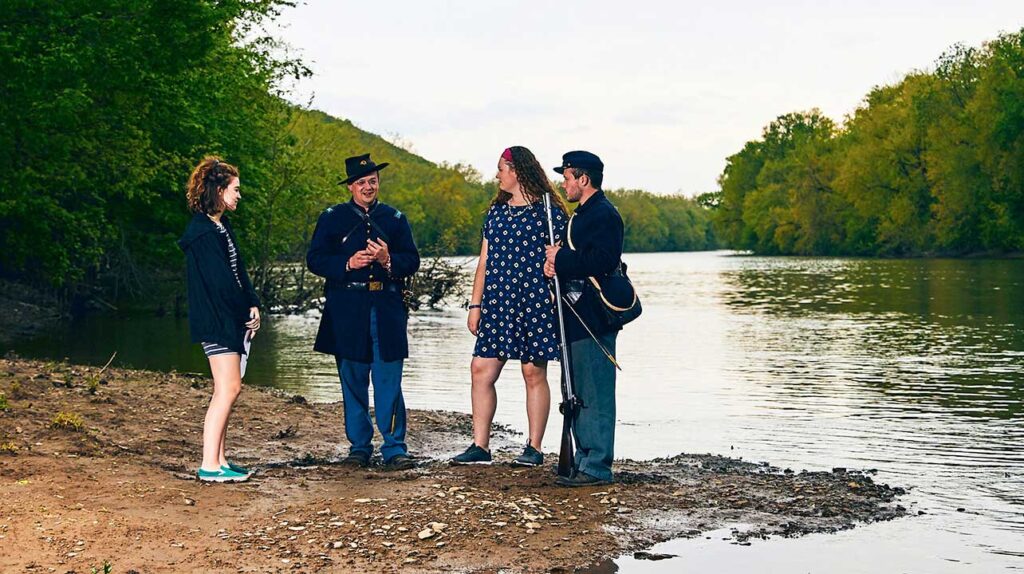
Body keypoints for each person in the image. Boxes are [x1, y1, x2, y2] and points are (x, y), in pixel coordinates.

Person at [452, 146, 569, 466]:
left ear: (517, 171)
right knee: (480, 369)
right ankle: (480, 446)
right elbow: (484, 262)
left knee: (532, 372)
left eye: (501, 169)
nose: (497, 175)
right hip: (497, 302)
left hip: (534, 301)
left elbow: (560, 258)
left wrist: (552, 283)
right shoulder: (496, 213)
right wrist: (475, 305)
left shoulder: (549, 213)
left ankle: (534, 448)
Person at [307, 153, 420, 470]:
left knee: (389, 380)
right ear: (351, 187)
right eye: (361, 182)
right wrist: (347, 263)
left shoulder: (395, 218)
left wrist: (387, 259)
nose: (368, 187)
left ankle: (394, 447)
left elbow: (412, 260)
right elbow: (315, 259)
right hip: (346, 309)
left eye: (372, 181)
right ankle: (359, 447)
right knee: (353, 380)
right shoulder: (332, 218)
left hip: (387, 309)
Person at [178, 156, 262, 483]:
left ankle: (220, 460)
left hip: (229, 319)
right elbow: (220, 283)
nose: (239, 195)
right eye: (235, 189)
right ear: (218, 190)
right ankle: (209, 466)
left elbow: (239, 273)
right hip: (216, 321)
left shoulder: (221, 226)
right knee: (228, 389)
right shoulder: (201, 232)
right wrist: (243, 312)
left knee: (229, 389)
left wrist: (253, 305)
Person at [544, 150, 624, 487]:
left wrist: (560, 258)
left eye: (567, 178)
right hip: (575, 314)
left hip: (593, 315)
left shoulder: (603, 214)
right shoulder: (584, 214)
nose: (564, 185)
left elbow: (603, 261)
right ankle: (584, 458)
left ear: (584, 179)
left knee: (595, 391)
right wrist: (555, 264)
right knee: (577, 389)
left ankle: (597, 466)